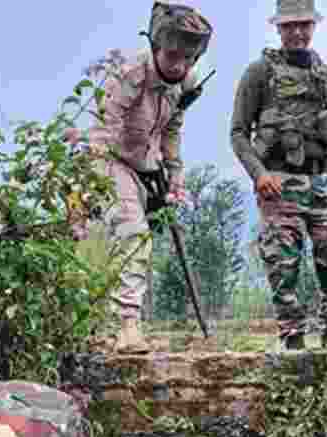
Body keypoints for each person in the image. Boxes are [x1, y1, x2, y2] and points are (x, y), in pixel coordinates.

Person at [230, 0, 327, 351]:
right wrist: (258, 174)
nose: (298, 33)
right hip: (279, 182)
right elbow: (238, 133)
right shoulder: (259, 72)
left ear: (313, 26)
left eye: (304, 25)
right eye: (290, 26)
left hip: (323, 181)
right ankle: (293, 344)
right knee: (283, 264)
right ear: (278, 28)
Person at [86, 2, 213, 354]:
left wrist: (174, 173)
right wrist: (93, 181)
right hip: (111, 159)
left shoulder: (185, 82)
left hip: (149, 165)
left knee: (141, 242)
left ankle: (122, 321)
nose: (179, 65)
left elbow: (171, 128)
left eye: (188, 59)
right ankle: (127, 326)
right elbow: (104, 127)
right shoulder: (131, 74)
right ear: (157, 47)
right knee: (131, 231)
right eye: (173, 56)